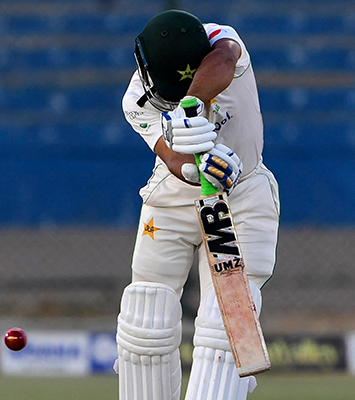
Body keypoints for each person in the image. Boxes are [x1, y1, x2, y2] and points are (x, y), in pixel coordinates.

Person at [115, 9, 279, 400]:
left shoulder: (221, 41)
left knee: (225, 326)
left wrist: (189, 105)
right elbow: (172, 160)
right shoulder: (137, 97)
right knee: (146, 318)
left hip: (242, 196)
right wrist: (195, 168)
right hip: (173, 198)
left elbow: (224, 58)